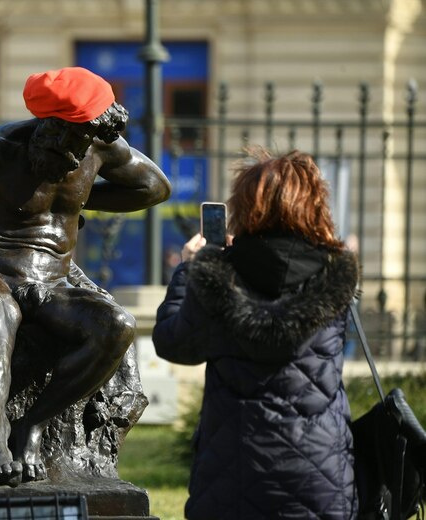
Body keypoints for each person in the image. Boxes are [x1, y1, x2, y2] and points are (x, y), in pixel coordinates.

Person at [0, 67, 171, 487]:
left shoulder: (97, 145)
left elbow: (154, 189)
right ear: (46, 124)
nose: (74, 150)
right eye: (67, 136)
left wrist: (90, 199)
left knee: (117, 326)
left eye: (82, 139)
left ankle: (31, 427)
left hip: (55, 281)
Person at [152, 148, 359, 519]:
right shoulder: (334, 276)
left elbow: (174, 344)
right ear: (313, 205)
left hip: (232, 470)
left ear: (245, 208)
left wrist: (187, 272)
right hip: (320, 470)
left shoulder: (217, 274)